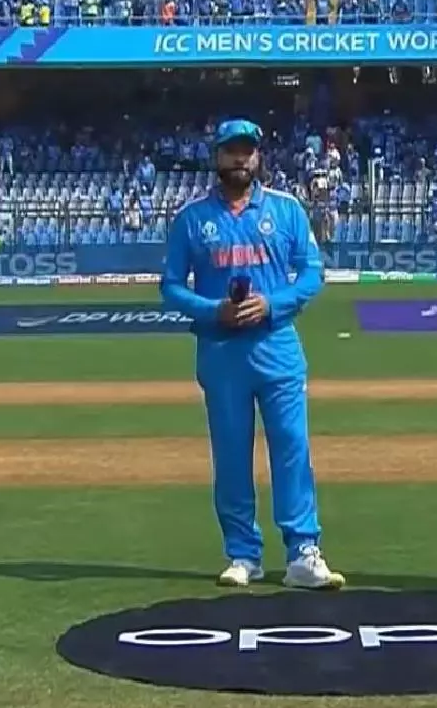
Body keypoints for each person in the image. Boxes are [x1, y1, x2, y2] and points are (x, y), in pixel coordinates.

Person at [159, 118, 343, 591]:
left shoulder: (285, 209)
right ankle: (243, 554)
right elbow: (171, 286)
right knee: (231, 455)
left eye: (248, 150)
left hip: (277, 346)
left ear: (258, 157)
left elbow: (311, 273)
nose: (240, 158)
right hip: (222, 353)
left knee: (292, 448)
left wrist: (272, 304)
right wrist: (213, 310)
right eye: (231, 150)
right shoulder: (192, 218)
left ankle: (303, 552)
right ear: (217, 156)